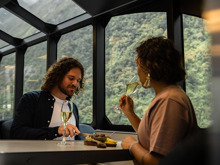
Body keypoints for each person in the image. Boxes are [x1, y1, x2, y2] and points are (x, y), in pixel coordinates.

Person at [119, 36, 199, 165]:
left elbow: (158, 161)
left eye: (138, 65)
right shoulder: (168, 95)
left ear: (148, 66)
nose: (137, 71)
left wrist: (132, 145)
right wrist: (130, 113)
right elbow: (154, 137)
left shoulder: (169, 101)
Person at [10, 57, 85, 140]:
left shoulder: (73, 107)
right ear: (58, 76)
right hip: (41, 153)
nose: (75, 83)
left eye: (78, 80)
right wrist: (56, 131)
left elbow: (75, 138)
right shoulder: (32, 99)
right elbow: (17, 133)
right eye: (71, 78)